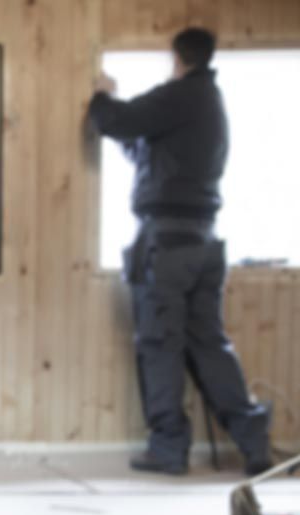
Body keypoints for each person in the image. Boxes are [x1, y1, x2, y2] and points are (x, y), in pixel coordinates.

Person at [88, 27, 272, 476]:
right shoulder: (209, 104)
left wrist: (102, 96)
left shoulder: (182, 94)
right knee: (209, 344)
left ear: (178, 57)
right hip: (203, 241)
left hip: (168, 244)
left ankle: (169, 448)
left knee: (160, 343)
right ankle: (253, 442)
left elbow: (117, 121)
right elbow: (146, 149)